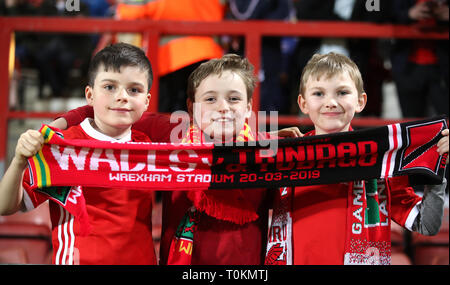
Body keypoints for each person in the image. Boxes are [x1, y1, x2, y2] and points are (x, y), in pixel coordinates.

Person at [269, 52, 449, 265]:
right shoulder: (283, 158)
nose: (331, 102)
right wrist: (260, 144)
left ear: (361, 101)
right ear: (303, 103)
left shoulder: (383, 160)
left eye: (342, 92)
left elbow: (426, 225)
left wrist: (436, 171)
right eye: (318, 93)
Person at [0, 42, 158, 265]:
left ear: (146, 102)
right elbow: (6, 206)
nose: (122, 96)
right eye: (110, 87)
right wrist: (18, 161)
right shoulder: (62, 146)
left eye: (134, 90)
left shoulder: (150, 148)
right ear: (90, 95)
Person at [115, 0, 225, 113]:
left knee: (168, 122)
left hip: (170, 59)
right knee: (203, 120)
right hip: (209, 54)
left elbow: (128, 13)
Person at [390, 0, 449, 118]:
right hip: (408, 66)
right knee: (411, 124)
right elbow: (377, 12)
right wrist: (408, 14)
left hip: (443, 67)